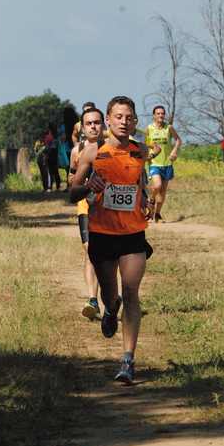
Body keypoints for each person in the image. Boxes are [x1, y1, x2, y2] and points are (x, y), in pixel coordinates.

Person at [70, 96, 154, 385]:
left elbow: (139, 181)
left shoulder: (140, 151)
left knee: (131, 292)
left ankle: (128, 360)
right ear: (108, 120)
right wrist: (86, 187)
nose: (123, 121)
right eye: (118, 116)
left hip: (133, 234)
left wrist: (146, 198)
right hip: (103, 234)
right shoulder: (93, 152)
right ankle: (109, 307)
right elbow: (72, 192)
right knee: (111, 292)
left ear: (135, 121)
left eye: (129, 117)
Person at [69, 107, 104, 321]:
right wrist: (82, 184)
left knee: (110, 256)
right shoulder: (77, 151)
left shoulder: (114, 147)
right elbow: (72, 182)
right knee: (90, 251)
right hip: (86, 207)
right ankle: (92, 299)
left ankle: (110, 296)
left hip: (110, 210)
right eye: (89, 123)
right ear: (82, 127)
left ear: (103, 124)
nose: (93, 127)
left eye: (97, 122)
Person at [145, 105, 182, 222]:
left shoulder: (169, 128)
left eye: (162, 113)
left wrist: (174, 151)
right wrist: (147, 156)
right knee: (157, 186)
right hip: (154, 163)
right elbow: (144, 142)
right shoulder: (149, 128)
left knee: (162, 193)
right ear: (154, 115)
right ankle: (151, 199)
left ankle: (157, 214)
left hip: (167, 164)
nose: (161, 115)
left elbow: (178, 140)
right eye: (158, 113)